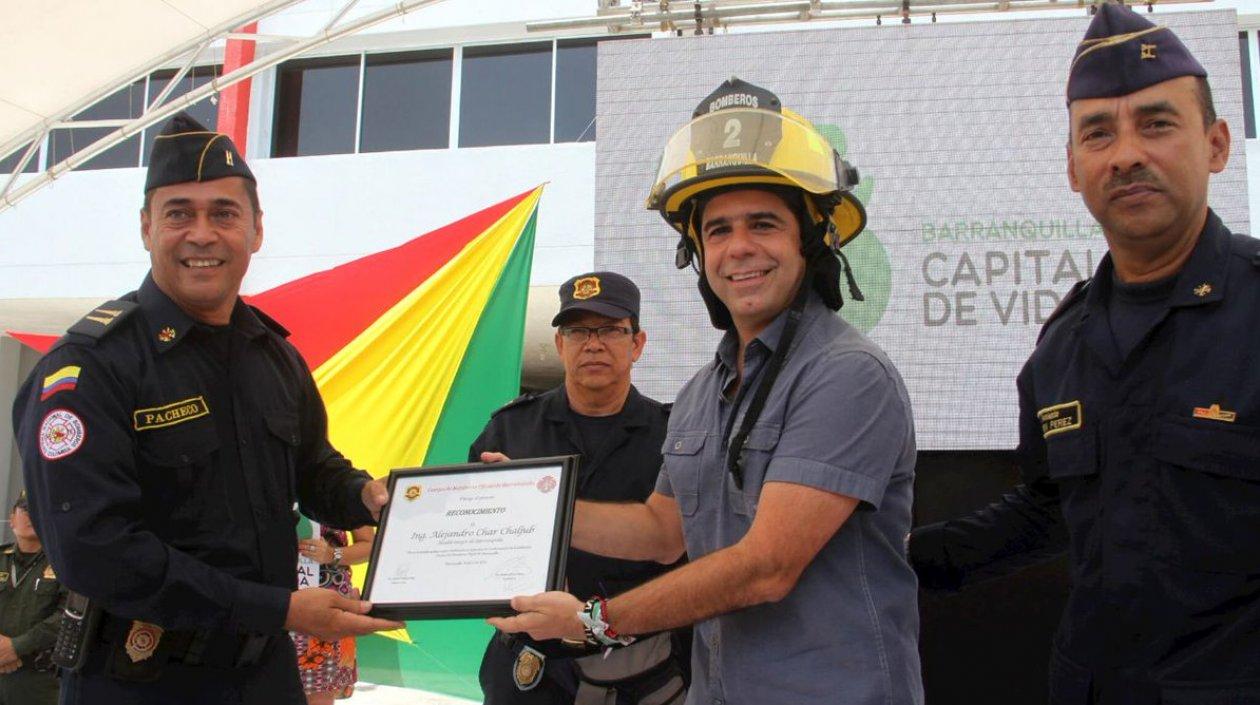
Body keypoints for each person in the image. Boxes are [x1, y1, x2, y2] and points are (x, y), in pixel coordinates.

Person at [489, 78, 922, 705]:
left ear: (809, 238)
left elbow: (767, 567)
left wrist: (591, 622)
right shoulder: (701, 392)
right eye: (717, 231)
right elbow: (664, 530)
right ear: (697, 253)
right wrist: (526, 512)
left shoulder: (848, 375)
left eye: (763, 224)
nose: (738, 247)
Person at [908, 4, 1258, 703]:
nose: (1126, 153)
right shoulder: (1063, 344)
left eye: (1156, 123)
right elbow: (1048, 509)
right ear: (1073, 168)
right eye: (1098, 132)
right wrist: (897, 557)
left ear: (1217, 144)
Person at [10, 112, 402, 705]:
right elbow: (96, 553)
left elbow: (312, 466)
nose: (202, 233)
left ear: (256, 230)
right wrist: (280, 608)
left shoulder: (273, 355)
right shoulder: (92, 367)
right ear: (146, 228)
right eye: (178, 214)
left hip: (264, 675)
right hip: (140, 680)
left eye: (223, 212)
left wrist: (365, 494)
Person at [471, 271, 688, 705]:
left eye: (610, 330)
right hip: (531, 666)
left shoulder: (674, 436)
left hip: (640, 669)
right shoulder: (509, 430)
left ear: (637, 344)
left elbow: (680, 545)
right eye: (577, 331)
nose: (593, 343)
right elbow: (475, 532)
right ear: (559, 345)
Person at [292, 525, 375, 704]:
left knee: (319, 692)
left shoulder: (344, 497)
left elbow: (370, 546)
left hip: (327, 607)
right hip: (270, 598)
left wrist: (332, 554)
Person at [0, 492, 65, 705]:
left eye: (39, 510)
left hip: (38, 681)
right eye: (26, 510)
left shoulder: (64, 565)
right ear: (12, 519)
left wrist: (17, 647)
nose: (32, 515)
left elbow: (67, 615)